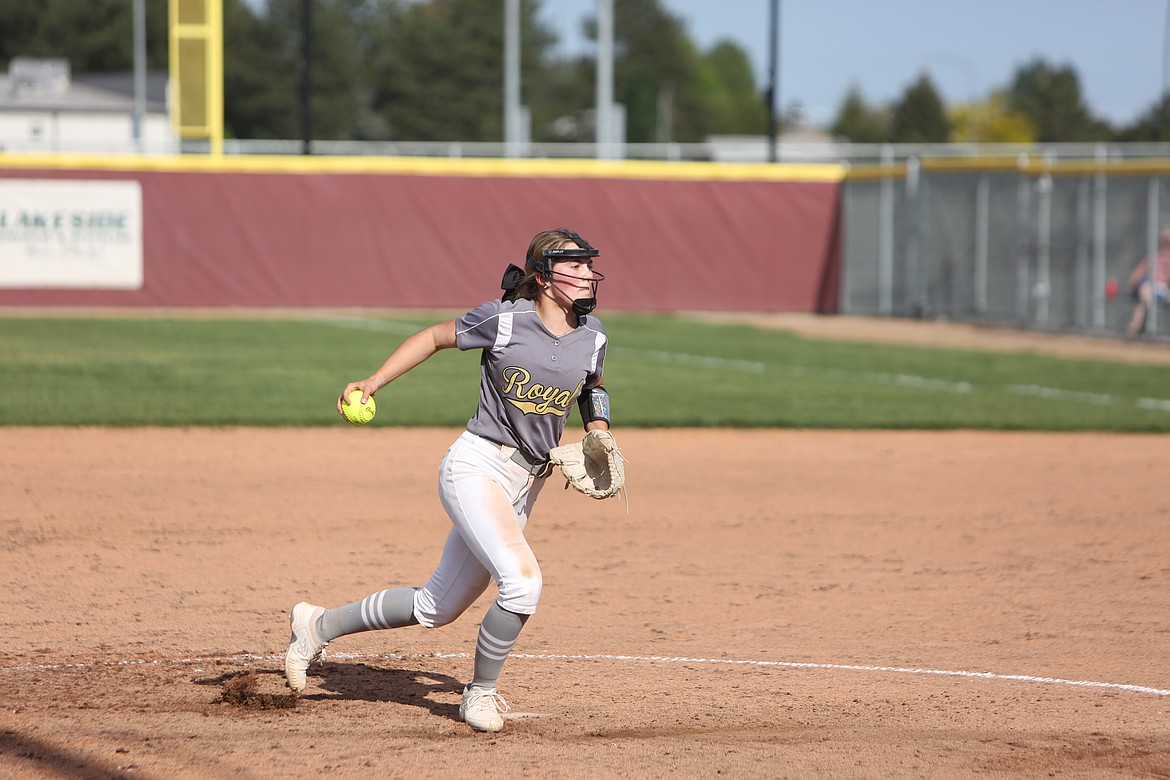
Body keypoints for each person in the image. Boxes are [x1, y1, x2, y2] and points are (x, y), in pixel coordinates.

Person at [283, 228, 613, 733]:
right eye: (576, 265)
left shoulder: (594, 338)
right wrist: (373, 382)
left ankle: (315, 626)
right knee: (522, 585)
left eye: (590, 265)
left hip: (526, 483)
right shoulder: (504, 321)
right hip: (476, 466)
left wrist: (598, 429)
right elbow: (434, 337)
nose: (589, 273)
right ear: (545, 278)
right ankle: (479, 694)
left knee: (436, 607)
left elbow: (593, 386)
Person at [1125, 228, 1170, 337]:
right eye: (1165, 242)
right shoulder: (1154, 258)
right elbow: (1137, 274)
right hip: (1150, 290)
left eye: (1168, 242)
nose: (1166, 246)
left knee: (1144, 292)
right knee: (1141, 295)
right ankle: (1133, 330)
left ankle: (1149, 318)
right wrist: (1134, 281)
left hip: (1164, 290)